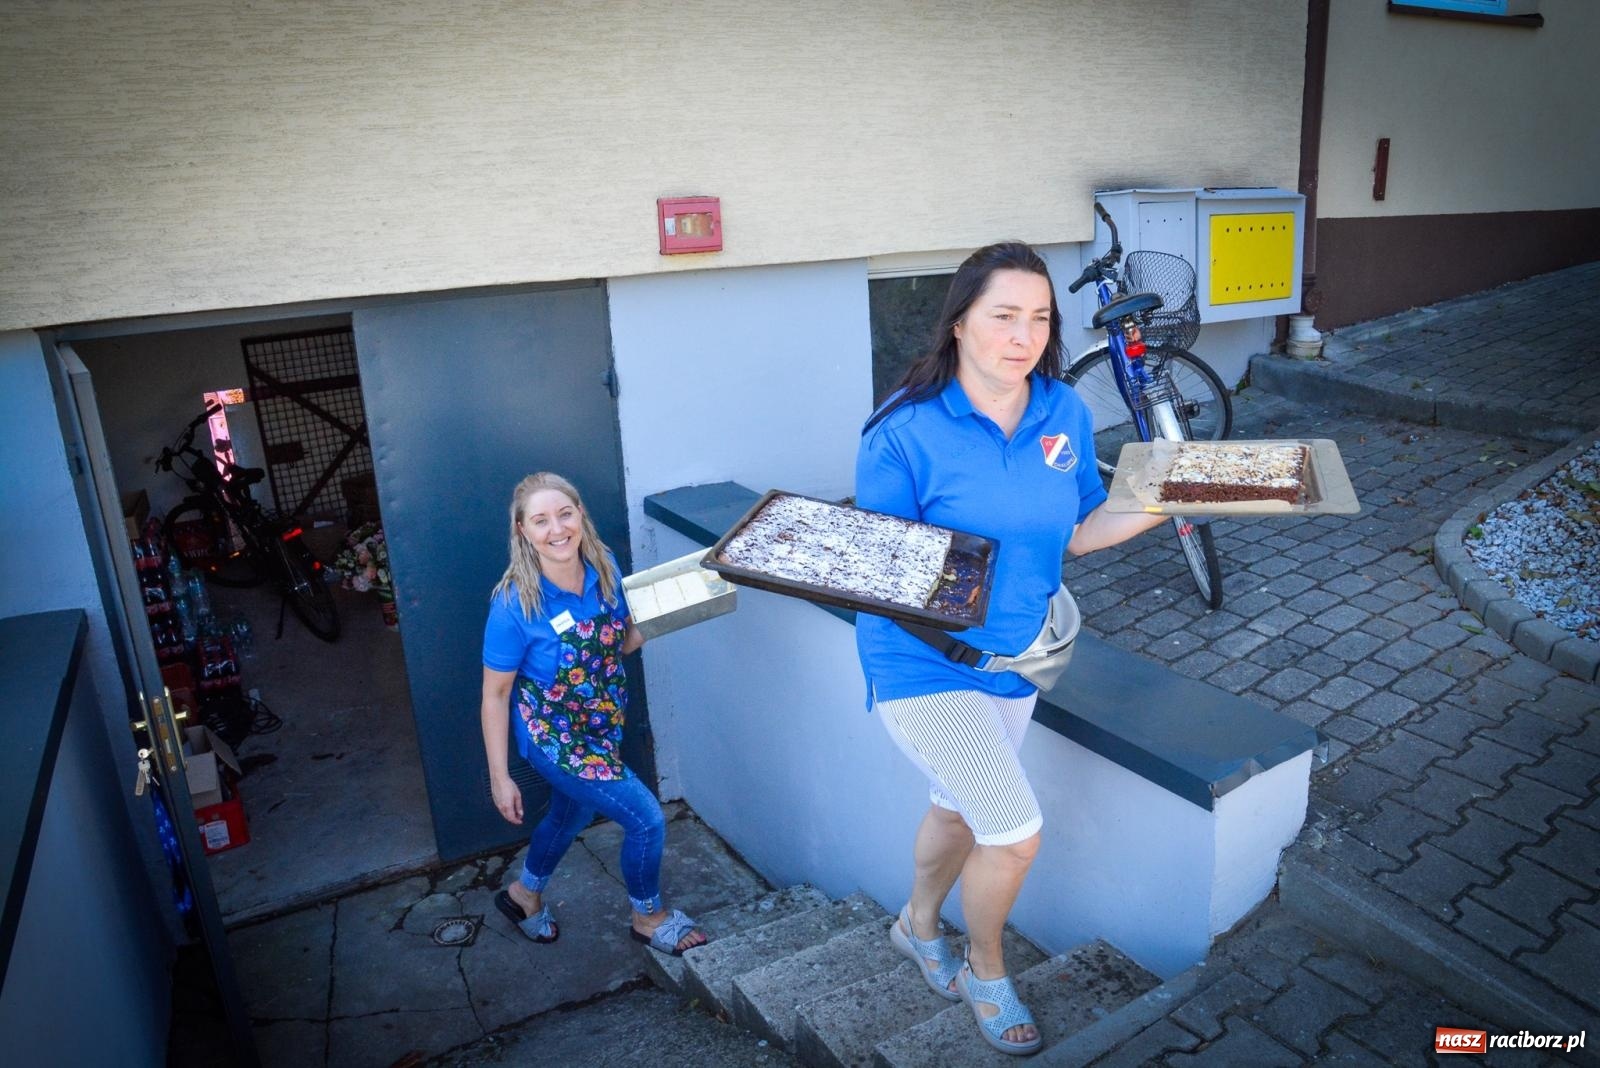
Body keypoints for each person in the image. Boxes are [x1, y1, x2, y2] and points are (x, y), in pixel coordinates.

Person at [856, 241, 1167, 1055]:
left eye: (1039, 318)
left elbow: (1082, 531)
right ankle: (983, 971)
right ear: (959, 323)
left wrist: (1171, 498)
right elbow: (881, 574)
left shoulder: (1060, 411)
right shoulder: (902, 432)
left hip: (1017, 661)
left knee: (958, 807)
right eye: (1003, 316)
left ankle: (917, 925)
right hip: (922, 666)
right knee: (1015, 830)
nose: (1022, 335)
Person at [480, 472, 707, 955]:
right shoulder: (513, 604)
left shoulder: (604, 567)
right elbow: (495, 695)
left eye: (564, 513)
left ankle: (523, 895)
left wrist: (659, 618)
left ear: (580, 514)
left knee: (571, 810)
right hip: (553, 736)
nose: (556, 529)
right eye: (540, 520)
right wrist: (500, 777)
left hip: (601, 723)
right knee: (646, 819)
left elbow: (615, 647)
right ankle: (648, 917)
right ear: (522, 530)